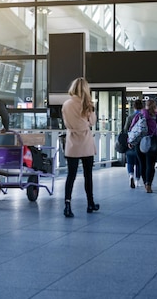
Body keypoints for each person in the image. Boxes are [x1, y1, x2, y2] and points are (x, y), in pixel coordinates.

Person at [61, 77, 99, 217]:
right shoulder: (88, 104)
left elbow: (66, 123)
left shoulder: (66, 104)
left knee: (71, 175)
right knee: (87, 175)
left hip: (72, 142)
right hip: (86, 142)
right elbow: (93, 122)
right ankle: (90, 203)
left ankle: (67, 205)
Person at [136, 99, 157, 193]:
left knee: (142, 164)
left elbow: (132, 128)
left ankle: (145, 181)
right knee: (151, 165)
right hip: (152, 142)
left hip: (140, 142)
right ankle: (149, 184)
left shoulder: (140, 115)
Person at [124, 99, 144, 188]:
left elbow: (125, 130)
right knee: (139, 162)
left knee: (130, 161)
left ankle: (131, 175)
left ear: (134, 107)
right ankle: (137, 180)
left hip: (131, 142)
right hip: (140, 142)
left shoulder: (130, 117)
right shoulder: (143, 117)